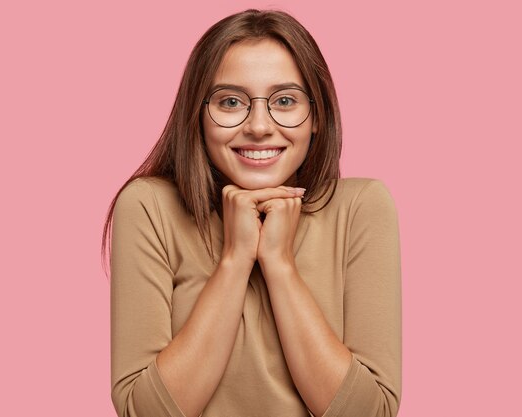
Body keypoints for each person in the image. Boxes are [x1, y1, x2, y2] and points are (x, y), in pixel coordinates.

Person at [102, 9, 402, 417]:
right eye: (230, 101)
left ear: (317, 116)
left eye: (284, 100)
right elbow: (145, 413)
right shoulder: (149, 207)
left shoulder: (361, 208)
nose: (259, 126)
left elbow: (370, 413)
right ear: (197, 115)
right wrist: (234, 260)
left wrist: (279, 265)